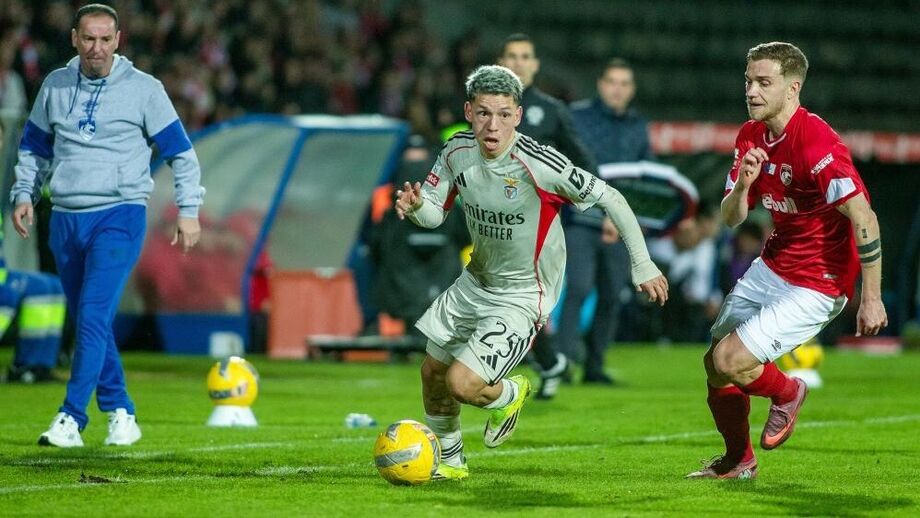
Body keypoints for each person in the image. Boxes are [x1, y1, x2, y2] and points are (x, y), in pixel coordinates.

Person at [395, 65, 668, 480]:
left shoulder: (540, 163)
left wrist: (642, 262)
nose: (493, 125)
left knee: (462, 383)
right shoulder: (455, 151)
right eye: (484, 113)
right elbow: (434, 214)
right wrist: (417, 209)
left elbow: (612, 197)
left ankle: (510, 392)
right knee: (432, 372)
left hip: (523, 293)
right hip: (476, 281)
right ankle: (451, 463)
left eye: (504, 114)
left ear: (518, 116)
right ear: (469, 111)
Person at [688, 42, 887, 479]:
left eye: (763, 83)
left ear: (792, 88)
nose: (752, 92)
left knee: (729, 360)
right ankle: (739, 460)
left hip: (819, 280)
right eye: (748, 82)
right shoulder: (750, 136)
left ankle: (789, 390)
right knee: (715, 366)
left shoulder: (817, 144)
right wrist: (743, 186)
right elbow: (730, 219)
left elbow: (864, 217)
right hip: (774, 265)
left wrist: (871, 298)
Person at [9, 4, 204, 448]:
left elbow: (181, 154)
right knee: (89, 319)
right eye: (88, 38)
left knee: (94, 315)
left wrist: (188, 210)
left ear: (118, 40)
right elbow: (34, 148)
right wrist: (24, 193)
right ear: (74, 39)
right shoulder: (55, 85)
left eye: (105, 39)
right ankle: (121, 410)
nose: (97, 47)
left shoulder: (145, 90)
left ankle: (71, 417)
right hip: (65, 218)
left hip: (120, 214)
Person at [497, 33, 596, 399]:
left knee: (514, 295)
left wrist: (568, 198)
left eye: (526, 56)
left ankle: (493, 373)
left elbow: (584, 164)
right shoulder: (484, 108)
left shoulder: (552, 111)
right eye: (512, 55)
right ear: (500, 61)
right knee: (505, 296)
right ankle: (550, 360)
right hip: (490, 219)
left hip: (537, 222)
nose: (519, 62)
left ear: (535, 65)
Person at [557, 58, 654, 384]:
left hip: (620, 225)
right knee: (579, 287)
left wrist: (631, 217)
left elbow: (644, 176)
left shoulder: (638, 126)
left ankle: (594, 366)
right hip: (581, 219)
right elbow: (568, 165)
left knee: (612, 293)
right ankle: (564, 361)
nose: (618, 89)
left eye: (625, 83)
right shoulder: (578, 117)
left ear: (632, 90)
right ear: (600, 84)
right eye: (613, 81)